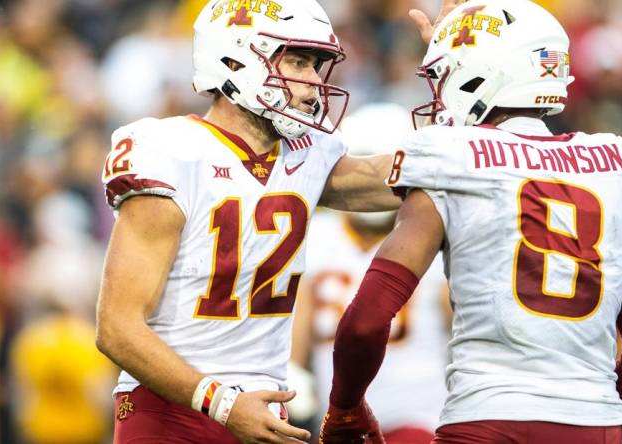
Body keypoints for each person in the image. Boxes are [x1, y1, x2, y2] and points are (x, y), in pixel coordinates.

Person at [95, 1, 459, 443]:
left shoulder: (308, 153)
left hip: (264, 408)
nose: (312, 82)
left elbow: (404, 176)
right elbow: (117, 328)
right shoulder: (172, 151)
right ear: (235, 58)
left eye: (316, 65)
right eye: (299, 62)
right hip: (173, 407)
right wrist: (222, 403)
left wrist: (457, 68)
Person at [320, 1, 622, 443]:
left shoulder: (451, 157)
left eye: (445, 76)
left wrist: (345, 408)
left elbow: (366, 323)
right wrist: (587, 416)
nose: (437, 94)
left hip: (484, 419)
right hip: (593, 422)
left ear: (480, 74)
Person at [290, 103, 450, 444]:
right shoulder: (317, 235)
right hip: (337, 420)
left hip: (419, 416)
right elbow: (297, 328)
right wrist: (293, 374)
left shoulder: (432, 235)